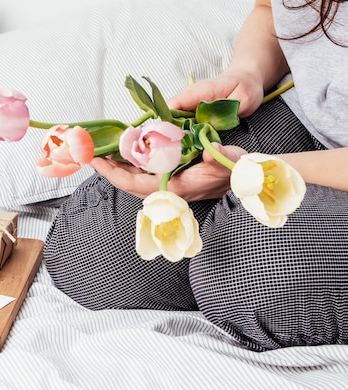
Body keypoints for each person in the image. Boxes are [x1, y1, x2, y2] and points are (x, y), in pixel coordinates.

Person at [43, 0, 348, 351]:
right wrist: (247, 72)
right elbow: (271, 10)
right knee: (90, 249)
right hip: (306, 115)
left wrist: (252, 171)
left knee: (255, 270)